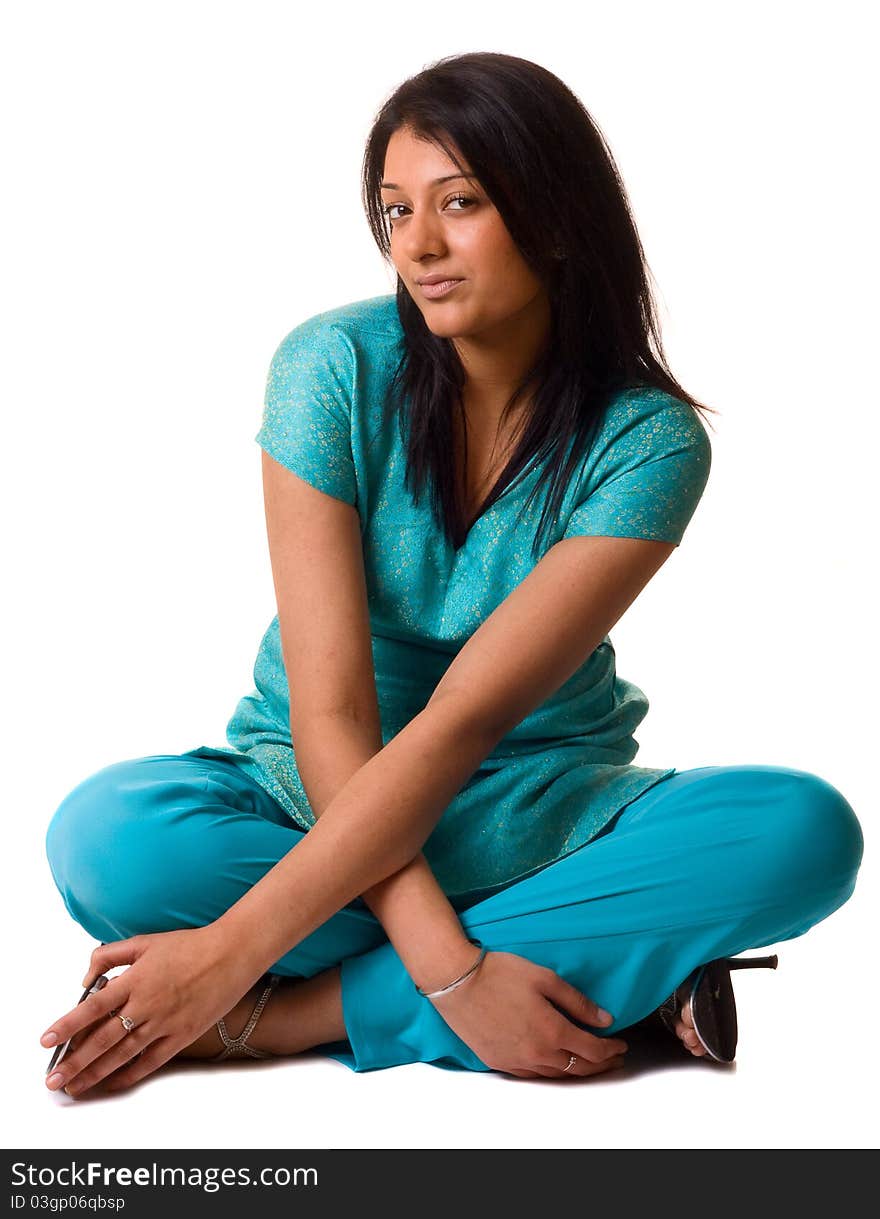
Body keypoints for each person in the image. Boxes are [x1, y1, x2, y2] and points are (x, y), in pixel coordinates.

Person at [42, 52, 863, 1099]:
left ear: (557, 217)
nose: (417, 245)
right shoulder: (329, 367)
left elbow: (458, 727)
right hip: (311, 791)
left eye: (460, 203)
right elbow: (333, 712)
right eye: (394, 211)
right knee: (110, 841)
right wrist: (452, 957)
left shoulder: (646, 441)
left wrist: (232, 964)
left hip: (526, 803)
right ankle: (624, 973)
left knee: (799, 831)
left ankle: (298, 1010)